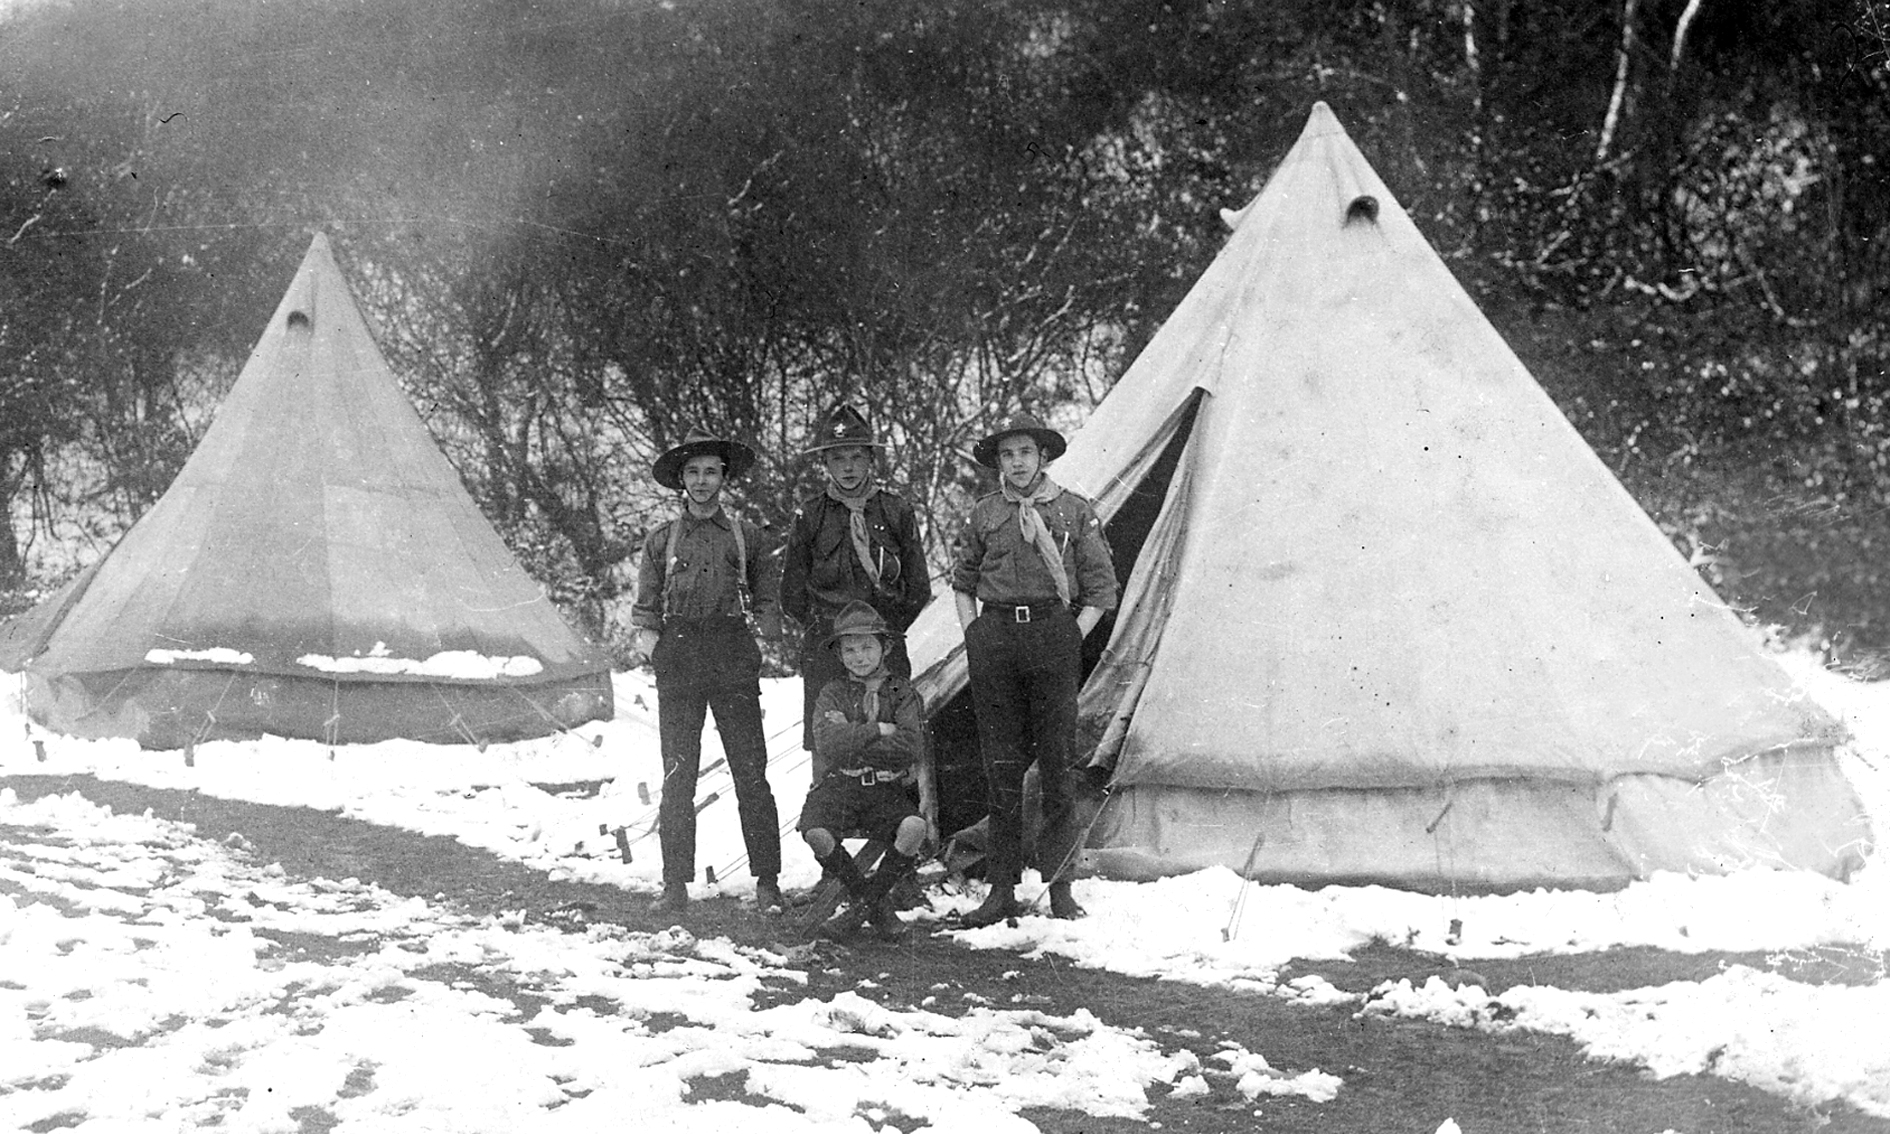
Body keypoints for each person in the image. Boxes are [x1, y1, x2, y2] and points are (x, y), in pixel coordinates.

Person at [950, 412, 1118, 927]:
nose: (1017, 463)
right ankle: (1001, 889)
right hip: (997, 635)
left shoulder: (1073, 510)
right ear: (998, 463)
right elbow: (962, 579)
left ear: (1042, 457)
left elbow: (1101, 587)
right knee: (1000, 766)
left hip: (1051, 634)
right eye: (1007, 454)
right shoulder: (984, 513)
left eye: (1025, 452)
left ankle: (1060, 886)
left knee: (1056, 765)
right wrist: (974, 633)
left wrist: (1071, 633)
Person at [631, 425, 785, 916]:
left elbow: (767, 599)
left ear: (724, 478)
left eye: (711, 472)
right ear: (681, 480)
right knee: (678, 773)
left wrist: (758, 635)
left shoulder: (747, 536)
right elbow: (645, 608)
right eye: (693, 472)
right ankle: (675, 884)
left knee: (750, 770)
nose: (702, 481)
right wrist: (656, 649)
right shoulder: (662, 539)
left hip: (731, 651)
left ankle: (768, 882)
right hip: (678, 653)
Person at [781, 403, 930, 775]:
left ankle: (900, 828)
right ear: (825, 464)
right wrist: (831, 630)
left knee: (896, 745)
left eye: (857, 457)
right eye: (837, 458)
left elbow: (918, 586)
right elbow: (791, 592)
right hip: (827, 649)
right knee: (829, 748)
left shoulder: (896, 511)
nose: (847, 467)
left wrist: (884, 631)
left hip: (885, 647)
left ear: (871, 460)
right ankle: (827, 823)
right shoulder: (810, 515)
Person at [799, 599, 934, 941]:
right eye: (849, 650)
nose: (859, 657)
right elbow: (828, 744)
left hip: (885, 789)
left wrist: (851, 733)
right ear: (840, 654)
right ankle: (875, 905)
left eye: (866, 647)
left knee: (914, 827)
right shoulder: (831, 692)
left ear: (885, 648)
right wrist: (877, 730)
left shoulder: (902, 693)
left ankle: (861, 907)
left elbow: (908, 746)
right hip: (839, 785)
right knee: (815, 831)